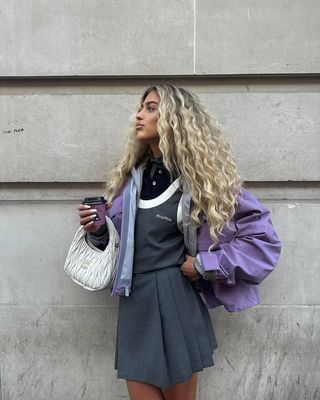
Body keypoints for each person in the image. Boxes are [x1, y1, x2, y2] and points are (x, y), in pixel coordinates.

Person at [77, 84, 281, 400]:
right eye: (142, 107)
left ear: (174, 119)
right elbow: (121, 247)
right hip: (135, 300)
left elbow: (262, 239)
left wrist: (204, 265)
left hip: (176, 299)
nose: (139, 115)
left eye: (151, 107)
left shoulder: (204, 182)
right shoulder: (132, 181)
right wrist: (98, 229)